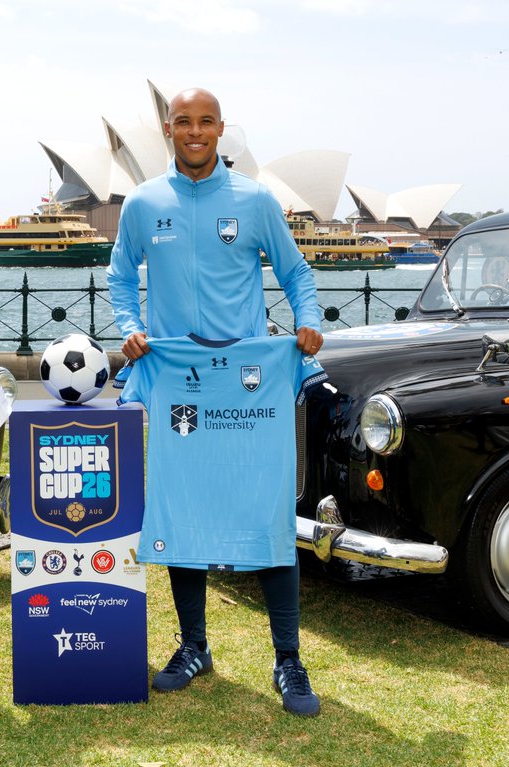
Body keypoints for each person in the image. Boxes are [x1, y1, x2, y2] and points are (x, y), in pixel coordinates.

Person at [107, 88, 325, 716]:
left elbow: (297, 274)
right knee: (183, 511)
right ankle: (195, 646)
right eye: (184, 123)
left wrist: (307, 321)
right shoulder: (144, 203)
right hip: (177, 378)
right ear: (168, 129)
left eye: (206, 123)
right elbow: (122, 274)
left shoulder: (255, 199)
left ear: (221, 129)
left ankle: (289, 659)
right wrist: (127, 323)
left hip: (249, 384)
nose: (195, 132)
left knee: (267, 513)